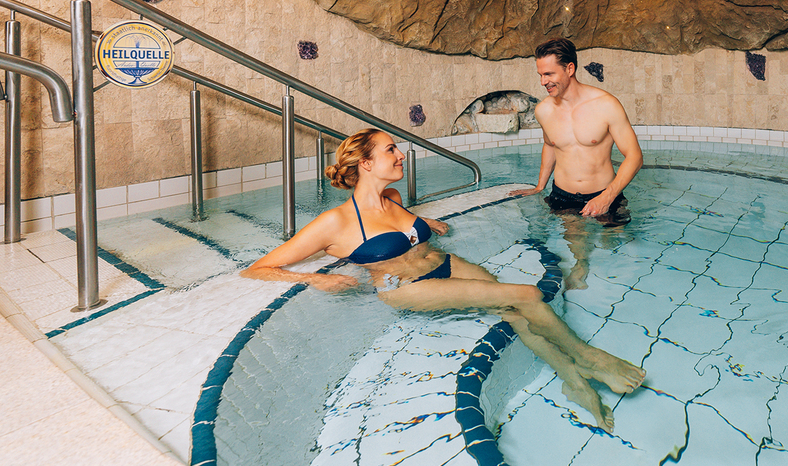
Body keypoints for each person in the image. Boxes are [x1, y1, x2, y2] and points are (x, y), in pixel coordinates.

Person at [243, 128, 646, 431]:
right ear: (365, 164)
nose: (400, 154)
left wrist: (425, 223)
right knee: (525, 294)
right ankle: (590, 358)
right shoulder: (334, 223)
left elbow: (400, 226)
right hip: (405, 287)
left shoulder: (392, 199)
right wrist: (314, 280)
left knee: (514, 307)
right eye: (390, 150)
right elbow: (257, 268)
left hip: (445, 263)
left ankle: (573, 379)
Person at [510, 38, 643, 225]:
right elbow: (550, 145)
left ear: (569, 69)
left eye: (548, 74)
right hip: (563, 197)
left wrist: (607, 197)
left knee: (614, 241)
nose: (542, 82)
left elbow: (634, 156)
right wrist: (540, 186)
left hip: (605, 193)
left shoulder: (606, 105)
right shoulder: (543, 110)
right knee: (576, 243)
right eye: (540, 75)